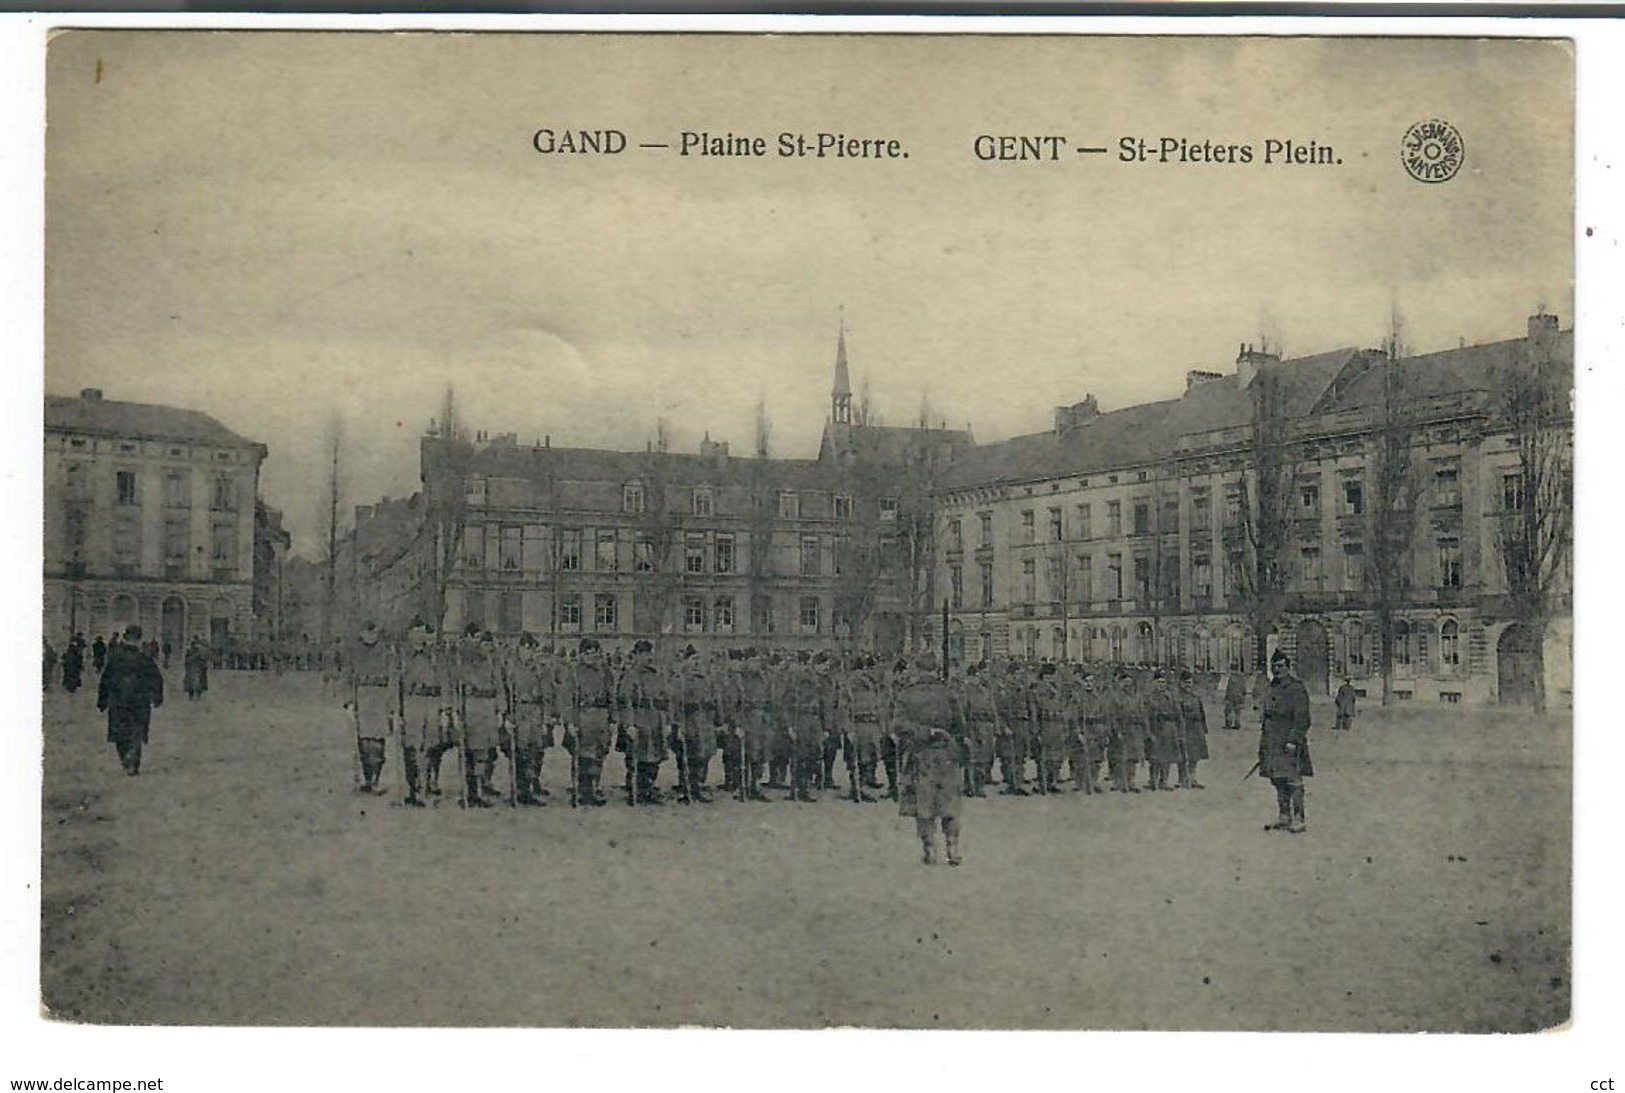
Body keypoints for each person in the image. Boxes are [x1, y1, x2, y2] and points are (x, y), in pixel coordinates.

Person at [894, 652, 965, 866]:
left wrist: (923, 732)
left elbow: (898, 725)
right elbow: (960, 724)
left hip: (920, 755)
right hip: (946, 755)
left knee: (923, 805)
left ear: (917, 668)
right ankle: (952, 848)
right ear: (935, 668)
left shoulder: (907, 694)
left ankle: (930, 850)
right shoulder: (948, 692)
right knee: (949, 803)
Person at [97, 625, 164, 776]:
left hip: (118, 701)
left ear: (125, 638)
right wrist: (157, 696)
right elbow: (156, 679)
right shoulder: (144, 659)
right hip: (139, 702)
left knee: (120, 733)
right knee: (137, 732)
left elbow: (105, 680)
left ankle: (125, 759)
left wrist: (102, 700)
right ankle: (133, 758)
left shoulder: (115, 658)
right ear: (139, 639)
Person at [1258, 650, 1313, 833]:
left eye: (1281, 666)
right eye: (1274, 666)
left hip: (1288, 743)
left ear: (1288, 668)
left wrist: (1293, 740)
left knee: (1293, 780)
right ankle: (1284, 816)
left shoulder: (1296, 688)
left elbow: (1302, 719)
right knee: (1277, 779)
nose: (1277, 669)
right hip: (1272, 742)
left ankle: (1299, 818)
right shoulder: (1272, 687)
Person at [1175, 669, 1209, 789]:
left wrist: (1204, 728)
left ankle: (1193, 778)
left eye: (1190, 682)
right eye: (1186, 683)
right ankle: (1182, 779)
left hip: (1196, 729)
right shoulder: (1177, 697)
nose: (1188, 685)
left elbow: (1201, 712)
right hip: (1185, 728)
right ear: (1180, 683)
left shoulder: (1195, 697)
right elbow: (1178, 715)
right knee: (1184, 755)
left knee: (1195, 755)